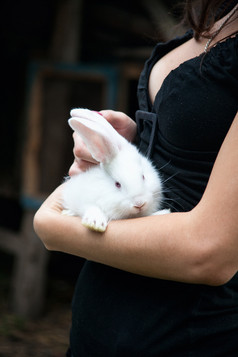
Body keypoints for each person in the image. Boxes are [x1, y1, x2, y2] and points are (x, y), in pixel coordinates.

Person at [34, 0, 238, 355]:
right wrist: (137, 141)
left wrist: (53, 226)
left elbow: (210, 251)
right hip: (96, 329)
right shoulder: (222, 13)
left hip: (188, 337)